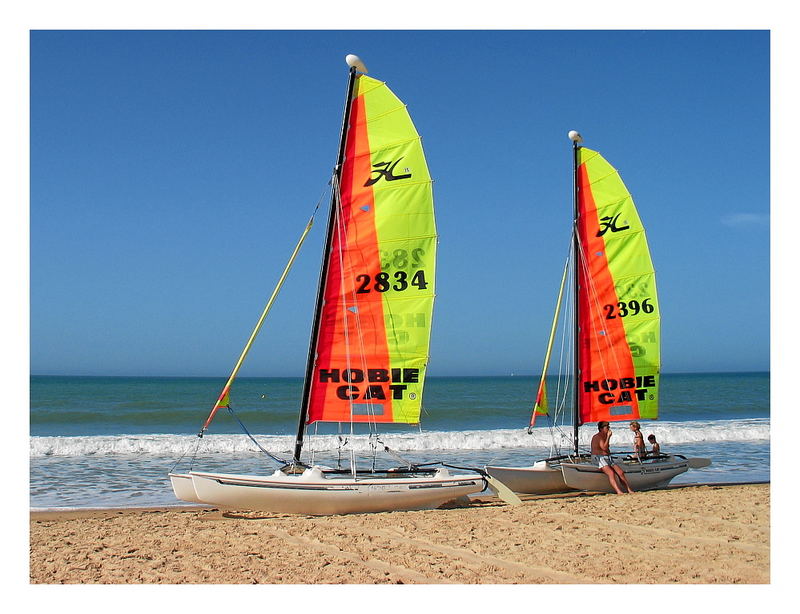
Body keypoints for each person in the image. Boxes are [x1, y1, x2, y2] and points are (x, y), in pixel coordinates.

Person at [590, 421, 635, 494]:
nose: (609, 429)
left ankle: (629, 489)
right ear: (601, 429)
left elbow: (606, 449)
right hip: (598, 458)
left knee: (620, 472)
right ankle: (618, 491)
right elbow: (604, 448)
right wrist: (608, 437)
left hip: (607, 457)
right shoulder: (598, 437)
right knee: (611, 473)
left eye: (609, 427)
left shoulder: (604, 436)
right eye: (607, 427)